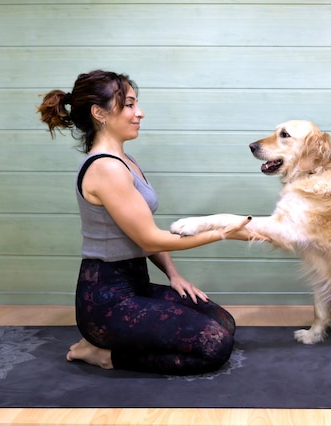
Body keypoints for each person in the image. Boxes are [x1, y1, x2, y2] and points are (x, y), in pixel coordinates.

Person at [37, 70, 255, 375]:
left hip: (135, 285)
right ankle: (103, 354)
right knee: (214, 345)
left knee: (223, 323)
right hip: (107, 299)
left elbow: (142, 233)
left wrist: (174, 275)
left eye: (135, 104)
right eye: (128, 105)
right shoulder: (105, 168)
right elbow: (151, 239)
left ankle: (121, 342)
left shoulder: (129, 162)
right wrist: (220, 233)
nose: (139, 112)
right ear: (99, 113)